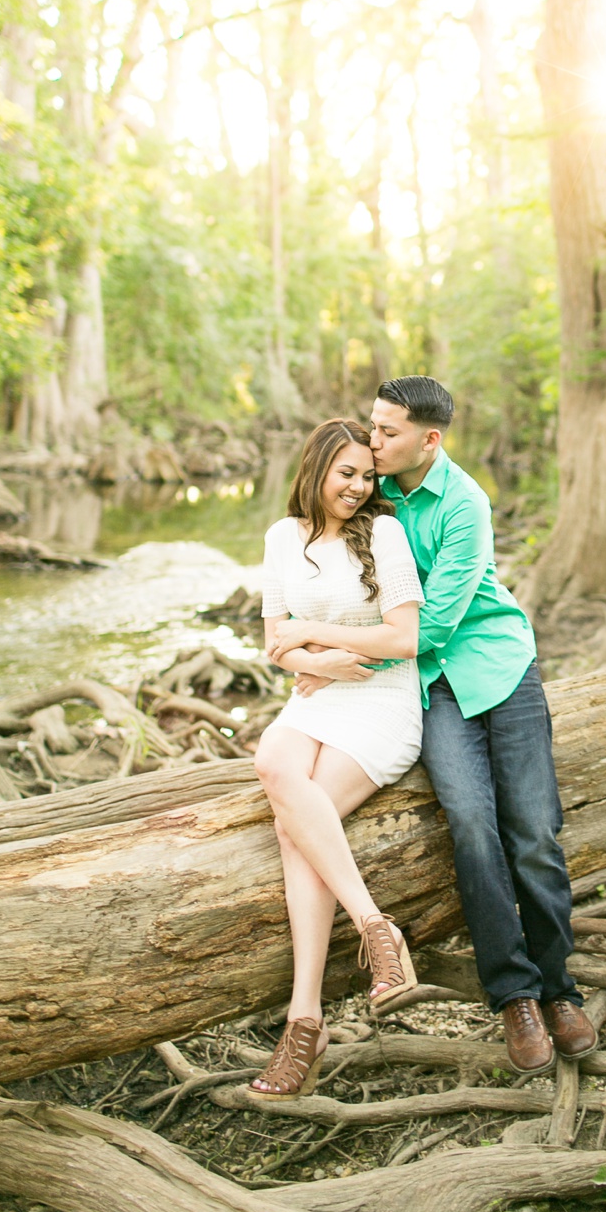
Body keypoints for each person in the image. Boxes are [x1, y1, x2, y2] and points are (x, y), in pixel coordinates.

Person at [371, 375, 596, 1073]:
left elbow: (435, 622)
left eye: (388, 431)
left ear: (428, 439)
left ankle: (559, 989)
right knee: (471, 822)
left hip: (498, 666)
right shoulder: (371, 494)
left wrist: (348, 654)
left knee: (532, 829)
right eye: (372, 427)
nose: (373, 441)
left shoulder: (464, 502)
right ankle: (515, 997)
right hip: (432, 685)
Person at [250, 418, 426, 1099]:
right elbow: (274, 645)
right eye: (346, 472)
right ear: (317, 467)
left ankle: (304, 1023)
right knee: (274, 766)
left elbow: (404, 638)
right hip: (322, 694)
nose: (358, 486)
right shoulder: (281, 537)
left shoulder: (383, 533)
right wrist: (320, 659)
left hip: (382, 698)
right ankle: (375, 927)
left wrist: (319, 641)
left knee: (296, 827)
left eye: (367, 475)